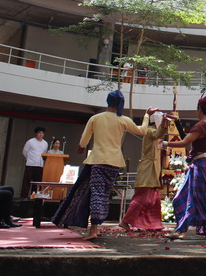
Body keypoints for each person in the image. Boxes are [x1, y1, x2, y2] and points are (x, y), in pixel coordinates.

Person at [52, 90, 146, 240]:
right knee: (103, 193)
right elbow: (142, 130)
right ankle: (95, 225)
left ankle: (94, 229)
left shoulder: (96, 118)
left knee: (96, 192)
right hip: (114, 163)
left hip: (98, 161)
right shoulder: (123, 120)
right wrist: (147, 115)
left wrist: (81, 146)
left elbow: (84, 140)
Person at [163, 96, 206, 240]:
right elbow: (188, 138)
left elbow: (184, 142)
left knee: (201, 197)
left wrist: (164, 143)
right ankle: (181, 230)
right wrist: (177, 122)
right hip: (201, 163)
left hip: (201, 164)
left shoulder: (202, 125)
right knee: (181, 197)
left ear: (200, 108)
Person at [120, 108, 167, 232]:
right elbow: (158, 134)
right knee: (143, 197)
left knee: (154, 198)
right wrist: (164, 123)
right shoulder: (150, 131)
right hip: (148, 169)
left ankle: (152, 224)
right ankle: (125, 221)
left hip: (153, 169)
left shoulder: (153, 131)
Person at [21, 126, 48, 198]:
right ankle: (24, 197)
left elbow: (44, 153)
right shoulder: (30, 142)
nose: (41, 134)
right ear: (36, 133)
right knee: (27, 182)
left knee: (37, 183)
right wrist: (29, 159)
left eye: (42, 133)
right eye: (39, 132)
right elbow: (24, 152)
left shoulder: (45, 143)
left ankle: (34, 197)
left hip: (39, 165)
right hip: (30, 164)